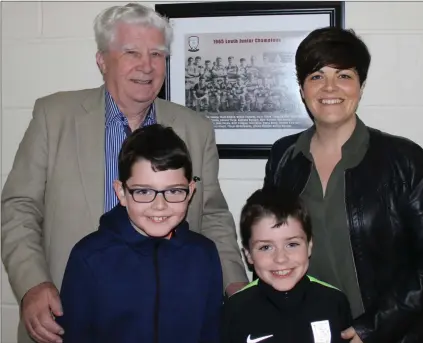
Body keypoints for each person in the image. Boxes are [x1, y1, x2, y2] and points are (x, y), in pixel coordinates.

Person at [1, 3, 248, 343]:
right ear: (102, 60)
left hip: (170, 318)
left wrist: (235, 287)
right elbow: (19, 207)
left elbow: (214, 215)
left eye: (157, 54)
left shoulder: (195, 128)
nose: (146, 66)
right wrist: (32, 283)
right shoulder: (54, 116)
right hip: (68, 313)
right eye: (131, 52)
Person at [263, 26, 423, 343]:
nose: (329, 87)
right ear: (301, 88)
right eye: (316, 76)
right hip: (316, 329)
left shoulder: (403, 159)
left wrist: (374, 326)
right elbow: (271, 240)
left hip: (399, 334)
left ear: (361, 86)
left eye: (343, 75)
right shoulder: (284, 156)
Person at [56, 124, 223, 343]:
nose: (160, 206)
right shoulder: (89, 257)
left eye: (174, 191)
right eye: (143, 191)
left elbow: (211, 333)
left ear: (190, 191)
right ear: (121, 193)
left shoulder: (204, 254)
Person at [222, 188, 352, 343]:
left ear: (309, 245)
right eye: (266, 247)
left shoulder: (334, 302)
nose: (280, 258)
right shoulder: (235, 310)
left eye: (292, 244)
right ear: (248, 254)